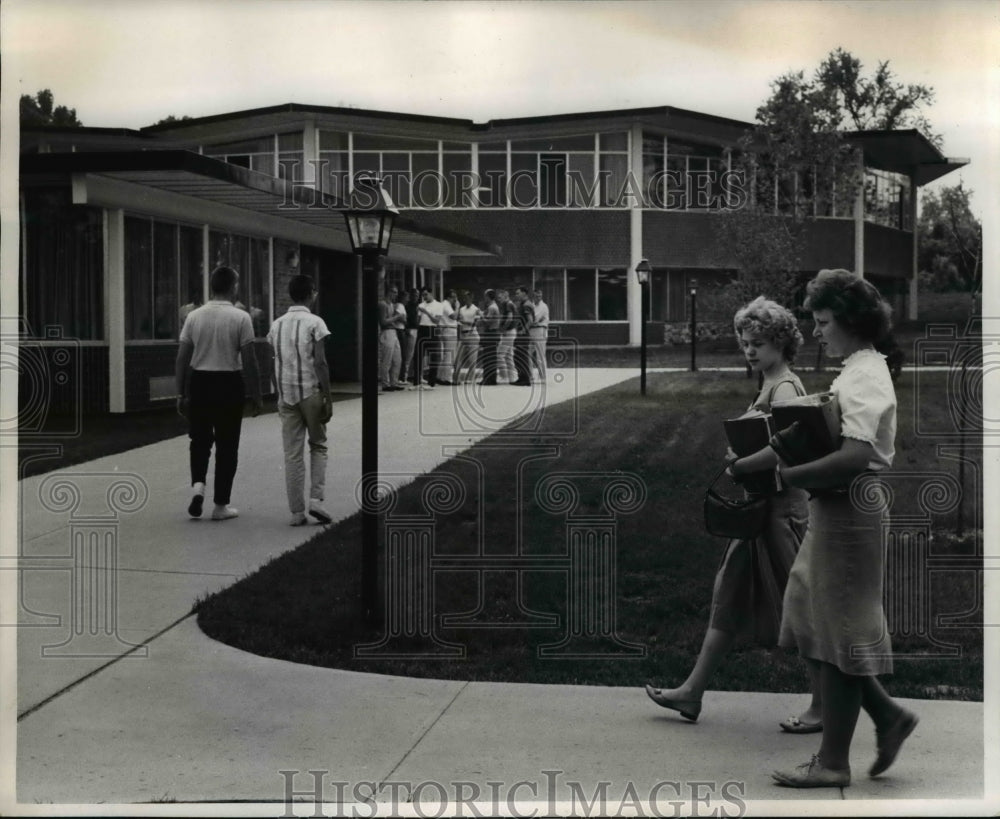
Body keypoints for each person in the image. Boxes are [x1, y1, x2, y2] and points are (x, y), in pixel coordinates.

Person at [732, 270, 917, 788]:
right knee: (808, 609)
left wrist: (781, 475)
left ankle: (834, 760)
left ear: (851, 322)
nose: (816, 331)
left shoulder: (865, 376)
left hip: (851, 509)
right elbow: (809, 435)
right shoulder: (854, 369)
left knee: (841, 630)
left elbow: (854, 456)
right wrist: (752, 462)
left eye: (823, 321)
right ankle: (887, 716)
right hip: (832, 510)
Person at [646, 296, 820, 726]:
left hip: (781, 514)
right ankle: (691, 692)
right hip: (759, 512)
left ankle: (824, 704)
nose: (749, 349)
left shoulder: (785, 388)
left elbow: (788, 451)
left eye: (758, 342)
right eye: (744, 342)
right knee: (728, 595)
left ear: (781, 341)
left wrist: (740, 463)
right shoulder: (770, 384)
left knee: (797, 607)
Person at [175, 265, 262, 521]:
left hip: (200, 381)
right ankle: (221, 505)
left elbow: (182, 357)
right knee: (227, 444)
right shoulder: (241, 318)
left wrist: (179, 392)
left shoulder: (194, 317)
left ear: (212, 286)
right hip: (228, 382)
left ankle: (198, 486)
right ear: (233, 287)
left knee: (199, 440)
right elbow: (250, 359)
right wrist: (256, 395)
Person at [266, 274, 335, 526]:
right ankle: (316, 500)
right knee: (318, 444)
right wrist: (328, 395)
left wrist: (278, 393)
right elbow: (320, 361)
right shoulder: (315, 322)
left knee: (292, 453)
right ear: (311, 293)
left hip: (286, 393)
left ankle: (296, 512)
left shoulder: (276, 324)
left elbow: (273, 360)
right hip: (310, 391)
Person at [415, 287, 452, 390]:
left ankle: (431, 383)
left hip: (432, 330)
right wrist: (417, 314)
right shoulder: (421, 305)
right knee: (418, 355)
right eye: (423, 295)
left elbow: (436, 320)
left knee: (433, 356)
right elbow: (417, 321)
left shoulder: (438, 305)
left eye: (426, 294)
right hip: (422, 329)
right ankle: (417, 382)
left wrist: (426, 312)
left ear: (431, 294)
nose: (424, 297)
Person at [378, 285, 404, 392]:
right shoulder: (382, 304)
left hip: (394, 331)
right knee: (386, 359)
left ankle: (394, 381)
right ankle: (385, 383)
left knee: (397, 359)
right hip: (386, 332)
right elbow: (383, 321)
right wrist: (397, 317)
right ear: (389, 292)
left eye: (396, 292)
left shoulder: (392, 305)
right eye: (394, 292)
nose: (396, 295)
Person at [452, 290, 482, 384]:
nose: (466, 299)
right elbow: (459, 321)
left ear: (471, 298)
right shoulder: (461, 309)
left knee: (472, 358)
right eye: (464, 298)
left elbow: (476, 323)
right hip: (463, 334)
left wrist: (464, 322)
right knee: (458, 358)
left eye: (468, 297)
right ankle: (456, 379)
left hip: (472, 334)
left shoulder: (476, 309)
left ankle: (470, 379)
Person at [511, 286, 535, 386]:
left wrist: (523, 331)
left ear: (524, 293)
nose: (516, 295)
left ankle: (525, 379)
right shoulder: (522, 304)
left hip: (523, 336)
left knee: (521, 357)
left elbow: (530, 320)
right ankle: (522, 378)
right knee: (517, 356)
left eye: (518, 293)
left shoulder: (526, 305)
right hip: (520, 334)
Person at [477, 289, 501, 386]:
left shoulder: (492, 307)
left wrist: (481, 316)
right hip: (492, 333)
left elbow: (488, 321)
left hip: (491, 333)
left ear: (488, 297)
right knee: (490, 357)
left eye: (485, 296)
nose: (484, 298)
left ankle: (489, 379)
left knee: (488, 357)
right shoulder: (493, 307)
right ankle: (490, 378)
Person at [436, 289, 460, 385]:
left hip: (447, 330)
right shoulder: (446, 305)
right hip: (449, 331)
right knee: (450, 355)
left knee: (447, 355)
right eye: (453, 297)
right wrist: (457, 307)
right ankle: (446, 378)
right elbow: (453, 316)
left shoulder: (446, 305)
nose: (455, 299)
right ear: (449, 297)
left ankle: (440, 376)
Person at [496, 289, 517, 384]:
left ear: (505, 296)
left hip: (508, 332)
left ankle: (503, 376)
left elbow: (509, 318)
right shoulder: (509, 304)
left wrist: (503, 329)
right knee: (508, 356)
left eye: (500, 298)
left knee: (499, 355)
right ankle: (512, 378)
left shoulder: (508, 304)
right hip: (511, 332)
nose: (499, 300)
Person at [401, 287, 420, 388]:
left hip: (417, 330)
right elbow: (406, 319)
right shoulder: (407, 306)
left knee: (415, 354)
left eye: (417, 295)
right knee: (408, 354)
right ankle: (404, 377)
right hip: (410, 330)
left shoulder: (418, 306)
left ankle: (413, 375)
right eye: (414, 295)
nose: (416, 297)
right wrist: (406, 328)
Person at [529, 288, 549, 381]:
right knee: (527, 353)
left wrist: (532, 320)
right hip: (531, 331)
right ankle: (530, 375)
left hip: (540, 330)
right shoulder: (531, 305)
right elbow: (528, 319)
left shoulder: (543, 306)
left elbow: (535, 318)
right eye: (536, 296)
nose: (538, 298)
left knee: (540, 355)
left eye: (540, 296)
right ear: (533, 296)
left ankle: (543, 377)